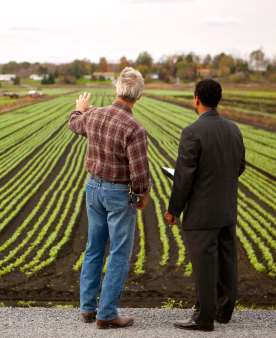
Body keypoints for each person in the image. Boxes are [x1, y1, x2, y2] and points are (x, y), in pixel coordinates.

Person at [69, 67, 151, 329]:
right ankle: (106, 314)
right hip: (118, 193)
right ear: (139, 97)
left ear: (116, 90)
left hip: (93, 188)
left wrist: (81, 108)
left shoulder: (95, 115)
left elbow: (74, 124)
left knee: (94, 247)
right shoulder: (134, 127)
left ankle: (87, 309)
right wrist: (143, 193)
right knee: (118, 252)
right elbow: (139, 171)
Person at [164, 79, 246, 332]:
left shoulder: (192, 132)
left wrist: (173, 210)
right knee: (226, 262)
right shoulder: (234, 129)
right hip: (226, 209)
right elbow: (239, 166)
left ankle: (204, 318)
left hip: (201, 213)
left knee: (203, 265)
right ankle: (223, 312)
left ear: (196, 99)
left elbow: (184, 177)